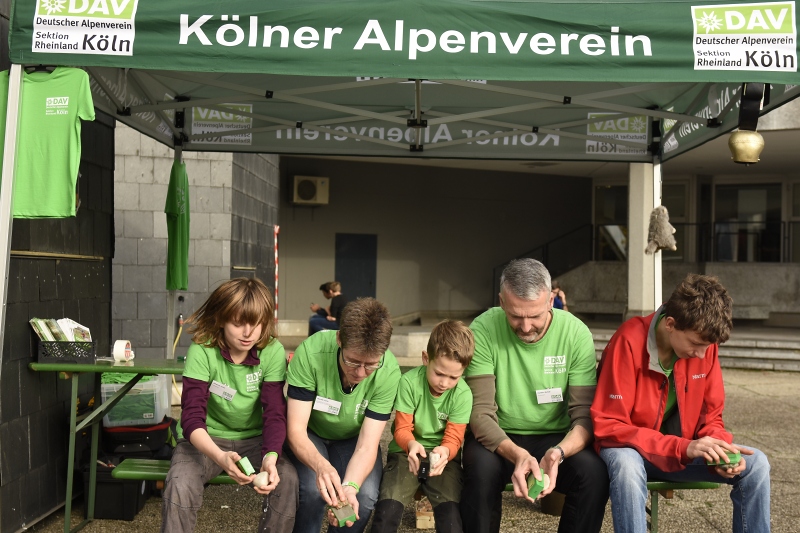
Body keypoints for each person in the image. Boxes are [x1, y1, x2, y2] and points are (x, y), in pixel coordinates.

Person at [591, 274, 771, 533]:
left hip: (681, 451)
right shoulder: (628, 341)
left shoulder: (705, 346)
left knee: (757, 464)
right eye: (696, 344)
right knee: (626, 466)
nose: (701, 354)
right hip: (630, 448)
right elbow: (609, 426)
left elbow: (711, 417)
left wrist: (721, 450)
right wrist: (683, 447)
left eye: (708, 347)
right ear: (671, 324)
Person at [460, 258, 608, 533]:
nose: (526, 327)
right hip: (498, 437)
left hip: (557, 438)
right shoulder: (482, 329)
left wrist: (559, 453)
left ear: (551, 300)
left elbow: (585, 415)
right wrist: (517, 454)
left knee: (594, 475)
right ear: (502, 302)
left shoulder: (576, 333)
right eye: (516, 316)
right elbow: (479, 414)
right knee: (479, 472)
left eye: (535, 316)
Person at [161, 278, 298, 533]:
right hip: (205, 441)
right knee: (180, 483)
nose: (248, 333)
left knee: (287, 480)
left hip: (255, 440)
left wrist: (270, 457)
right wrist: (220, 457)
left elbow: (275, 414)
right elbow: (190, 418)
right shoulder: (202, 349)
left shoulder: (272, 351)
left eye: (256, 323)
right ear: (221, 319)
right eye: (238, 323)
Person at [282, 297, 401, 533]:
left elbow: (367, 446)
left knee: (364, 497)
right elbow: (295, 429)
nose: (360, 372)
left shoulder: (388, 373)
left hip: (352, 439)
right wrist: (320, 465)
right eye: (352, 361)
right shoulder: (311, 353)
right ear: (339, 339)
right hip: (310, 433)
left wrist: (350, 486)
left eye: (370, 365)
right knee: (314, 490)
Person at [371, 320, 475, 533]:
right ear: (426, 358)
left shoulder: (463, 394)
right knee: (386, 512)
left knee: (452, 519)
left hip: (444, 460)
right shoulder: (409, 382)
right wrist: (411, 445)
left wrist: (445, 451)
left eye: (453, 377)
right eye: (439, 373)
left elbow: (454, 438)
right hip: (404, 453)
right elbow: (401, 428)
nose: (444, 383)